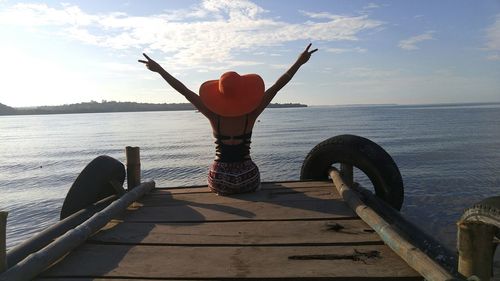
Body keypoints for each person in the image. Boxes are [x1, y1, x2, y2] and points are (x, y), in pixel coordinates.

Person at [139, 43, 317, 195]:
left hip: (220, 179)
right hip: (248, 176)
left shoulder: (213, 115)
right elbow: (277, 86)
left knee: (218, 179)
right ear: (244, 92)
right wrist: (299, 62)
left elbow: (184, 90)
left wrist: (160, 70)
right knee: (253, 178)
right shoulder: (251, 114)